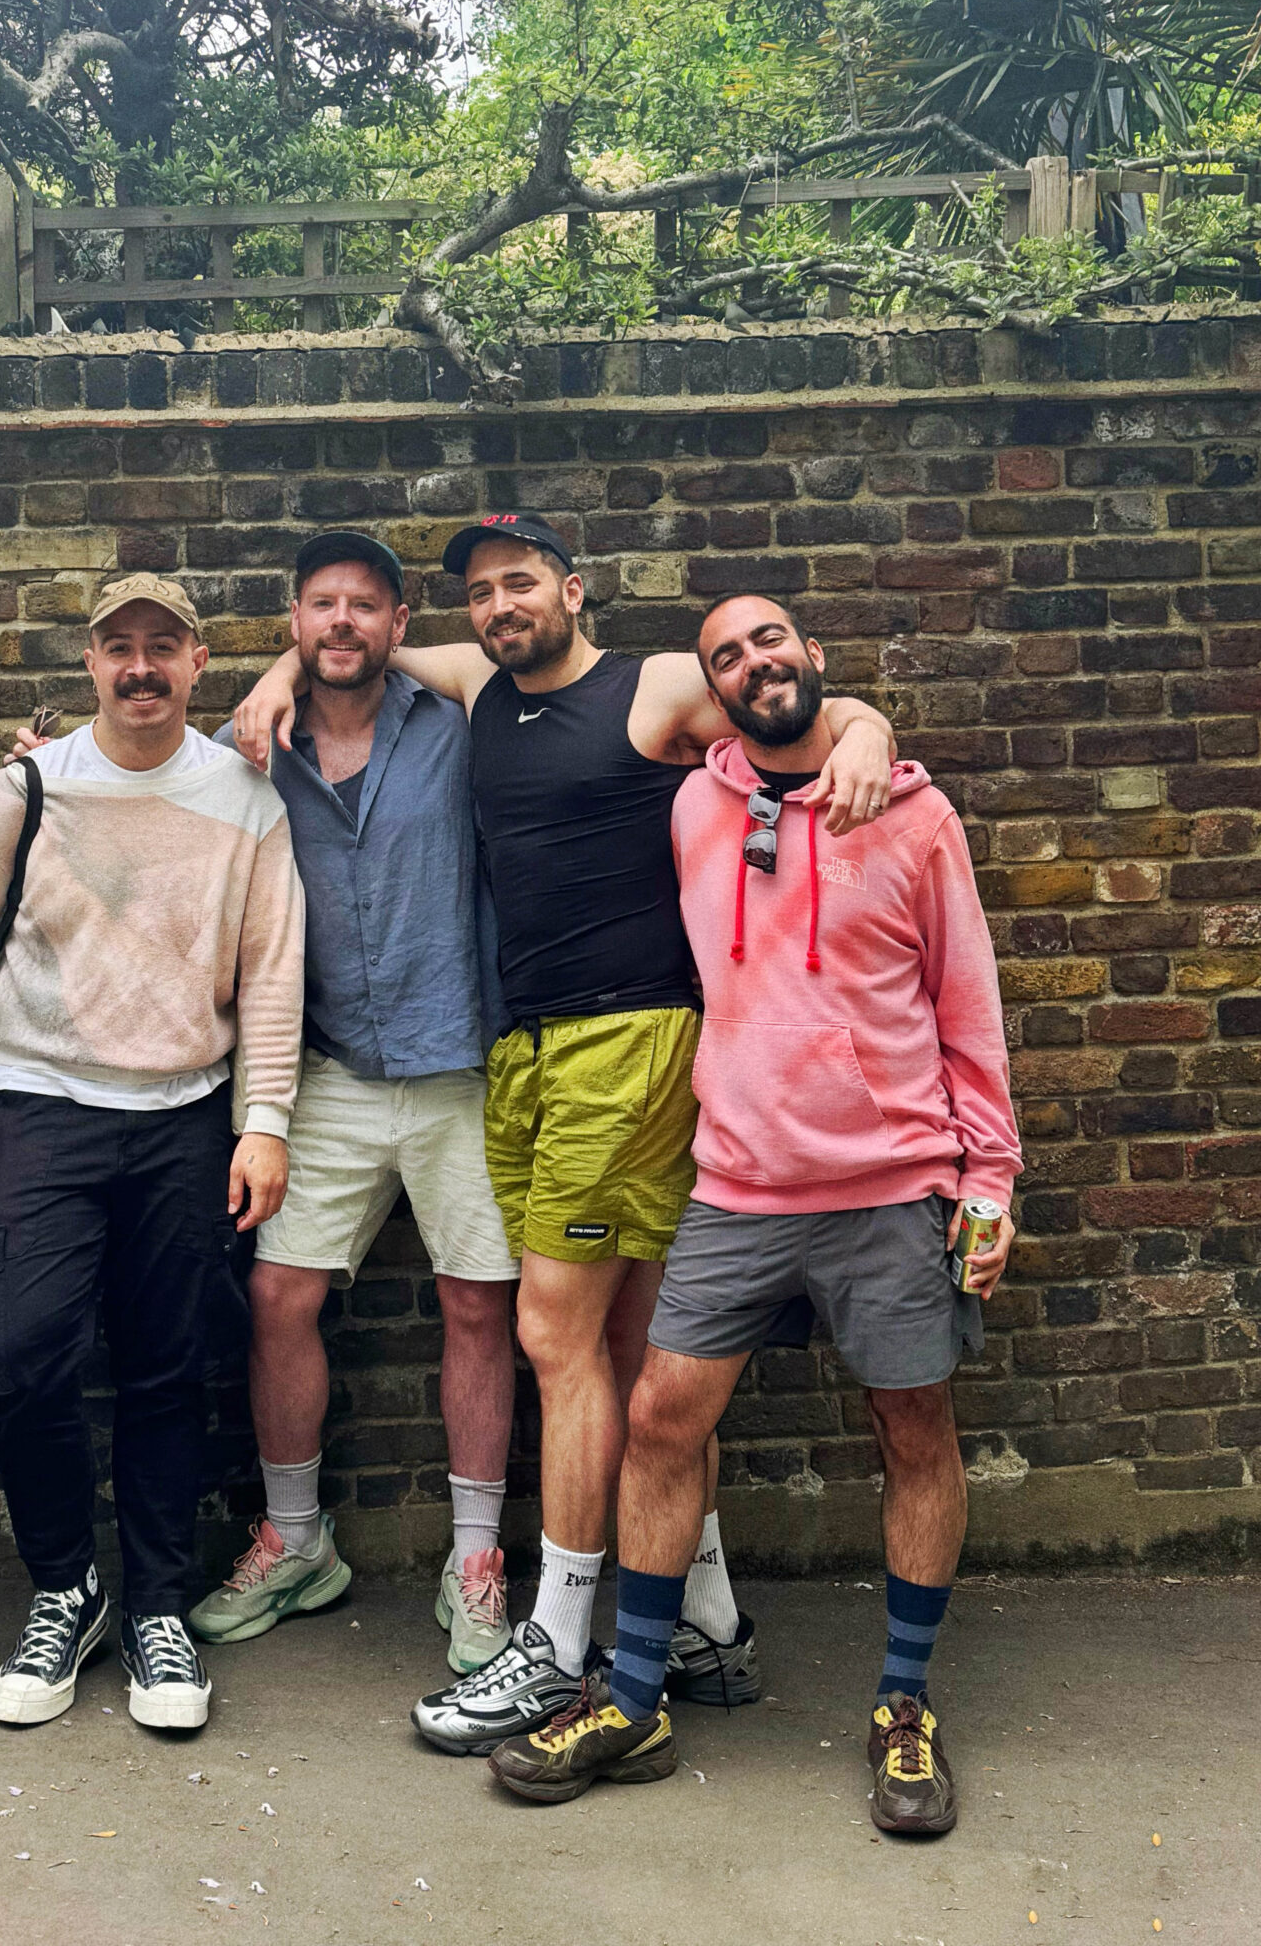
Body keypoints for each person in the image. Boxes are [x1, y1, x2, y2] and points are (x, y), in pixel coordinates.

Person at [234, 515, 897, 1753]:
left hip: (629, 1036)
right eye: (481, 592)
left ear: (573, 588)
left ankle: (552, 1637)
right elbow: (354, 652)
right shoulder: (481, 682)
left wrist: (865, 727)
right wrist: (276, 669)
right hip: (530, 1046)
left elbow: (785, 701)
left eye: (520, 581)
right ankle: (701, 1621)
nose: (499, 604)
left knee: (550, 1328)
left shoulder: (646, 686)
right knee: (637, 1344)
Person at [486, 593, 1019, 1826]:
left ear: (812, 654)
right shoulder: (692, 805)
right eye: (724, 653)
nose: (751, 662)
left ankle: (901, 1705)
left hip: (893, 1179)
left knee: (912, 1428)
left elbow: (968, 1005)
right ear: (708, 685)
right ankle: (632, 1696)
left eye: (769, 639)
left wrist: (987, 1178)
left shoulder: (914, 812)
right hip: (736, 1180)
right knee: (664, 1418)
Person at [0, 574, 305, 1737]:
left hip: (187, 1110)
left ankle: (155, 1606)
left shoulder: (246, 795)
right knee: (9, 1339)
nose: (139, 668)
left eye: (163, 647)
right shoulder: (25, 790)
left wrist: (265, 1119)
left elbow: (276, 965)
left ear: (199, 663)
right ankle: (64, 1583)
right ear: (89, 664)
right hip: (42, 1105)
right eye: (117, 648)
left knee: (166, 1363)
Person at [187, 531, 520, 1677]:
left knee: (479, 1309)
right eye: (320, 606)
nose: (341, 623)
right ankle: (294, 1537)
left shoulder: (461, 721)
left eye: (364, 607)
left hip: (457, 1067)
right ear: (293, 620)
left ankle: (476, 1558)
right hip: (320, 1071)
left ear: (397, 621)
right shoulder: (248, 750)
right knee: (279, 1295)